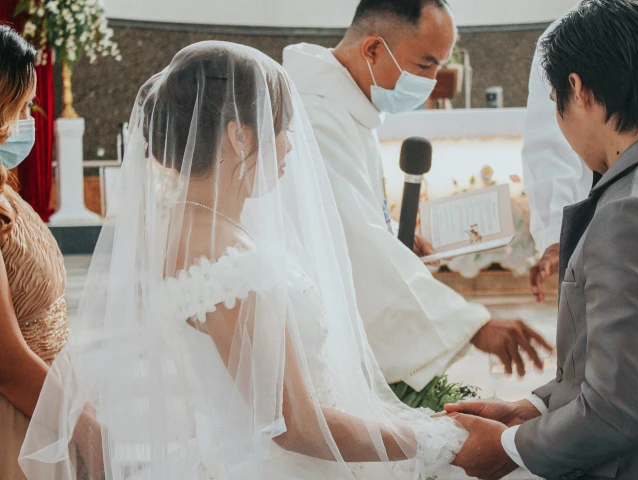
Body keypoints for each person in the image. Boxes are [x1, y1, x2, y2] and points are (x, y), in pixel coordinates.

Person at [18, 41, 470, 480]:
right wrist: (433, 440)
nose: (290, 147)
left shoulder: (189, 226)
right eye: (283, 130)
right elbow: (296, 427)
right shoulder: (228, 260)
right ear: (239, 135)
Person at [444, 1, 638, 478]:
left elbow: (616, 413)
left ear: (577, 89)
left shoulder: (631, 212)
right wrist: (534, 410)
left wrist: (509, 447)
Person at [282, 0, 552, 398]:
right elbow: (356, 251)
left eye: (439, 68)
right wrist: (473, 324)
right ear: (373, 49)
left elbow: (348, 222)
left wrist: (393, 239)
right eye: (425, 66)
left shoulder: (349, 102)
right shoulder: (317, 115)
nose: (431, 81)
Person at [0, 25, 102, 480]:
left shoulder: (6, 187)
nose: (26, 121)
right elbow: (6, 363)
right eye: (20, 106)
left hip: (51, 407)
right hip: (21, 420)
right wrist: (86, 429)